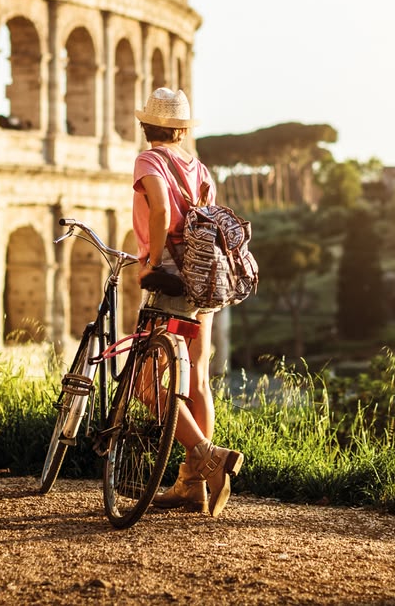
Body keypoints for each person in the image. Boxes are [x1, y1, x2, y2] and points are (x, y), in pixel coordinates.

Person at [132, 87, 243, 518]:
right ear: (181, 129)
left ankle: (208, 456)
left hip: (174, 285)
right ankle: (190, 485)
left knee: (144, 382)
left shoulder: (149, 161)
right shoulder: (201, 169)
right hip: (207, 281)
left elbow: (160, 209)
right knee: (197, 379)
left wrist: (153, 263)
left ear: (147, 126)